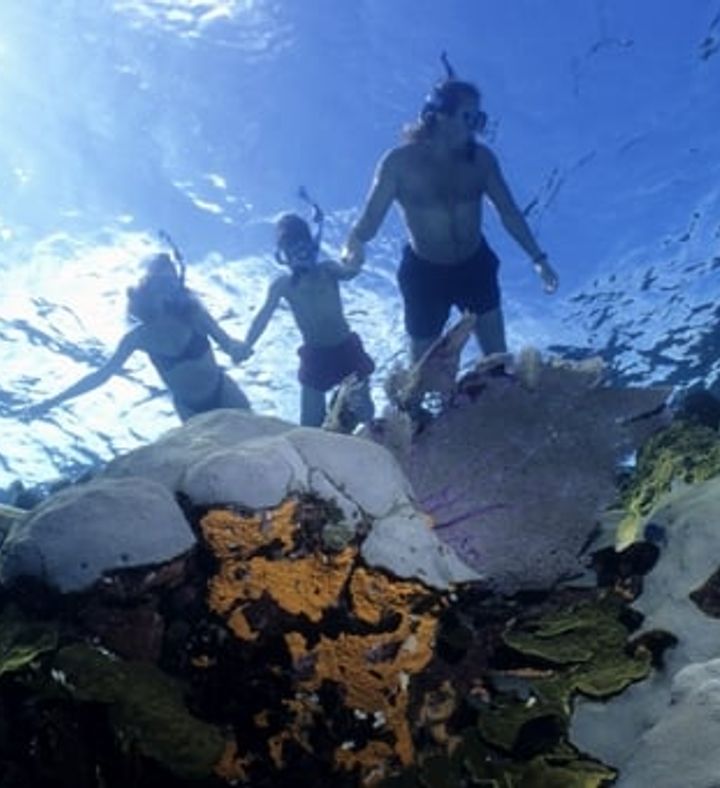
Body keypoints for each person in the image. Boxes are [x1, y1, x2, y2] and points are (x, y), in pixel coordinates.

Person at [343, 69, 559, 363]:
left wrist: (539, 259)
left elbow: (509, 212)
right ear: (439, 115)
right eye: (469, 118)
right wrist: (353, 247)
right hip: (424, 275)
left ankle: (500, 397)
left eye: (479, 120)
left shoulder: (482, 161)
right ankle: (418, 408)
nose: (476, 128)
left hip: (476, 266)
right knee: (422, 369)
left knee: (498, 359)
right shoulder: (398, 164)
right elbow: (367, 224)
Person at [23, 253, 251, 422]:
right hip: (188, 409)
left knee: (259, 447)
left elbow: (228, 344)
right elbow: (101, 375)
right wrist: (51, 402)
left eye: (172, 283)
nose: (167, 290)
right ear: (146, 289)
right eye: (161, 283)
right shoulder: (137, 338)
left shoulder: (194, 315)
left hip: (224, 393)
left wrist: (238, 349)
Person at [239, 213, 375, 428]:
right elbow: (262, 316)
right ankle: (337, 407)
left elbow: (350, 271)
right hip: (316, 357)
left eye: (303, 244)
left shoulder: (328, 270)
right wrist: (247, 344)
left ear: (312, 244)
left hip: (346, 348)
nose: (300, 252)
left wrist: (356, 251)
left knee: (365, 412)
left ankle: (340, 406)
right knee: (309, 429)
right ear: (283, 254)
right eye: (291, 247)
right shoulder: (283, 285)